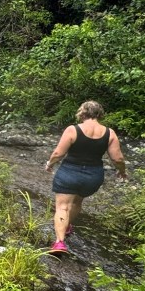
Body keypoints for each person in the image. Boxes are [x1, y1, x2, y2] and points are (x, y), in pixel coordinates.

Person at [44, 100, 126, 254]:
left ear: (82, 113)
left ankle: (59, 243)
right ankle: (66, 227)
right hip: (93, 176)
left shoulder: (73, 130)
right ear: (100, 114)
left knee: (62, 207)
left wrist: (50, 163)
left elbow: (58, 153)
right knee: (77, 201)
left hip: (69, 173)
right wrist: (122, 171)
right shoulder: (110, 133)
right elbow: (118, 159)